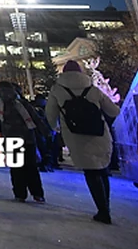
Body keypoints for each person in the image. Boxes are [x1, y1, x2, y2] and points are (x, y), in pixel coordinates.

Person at [46, 60, 120, 224]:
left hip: (76, 136)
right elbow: (114, 111)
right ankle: (105, 208)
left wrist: (56, 129)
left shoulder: (57, 90)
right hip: (99, 133)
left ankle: (102, 210)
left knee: (91, 173)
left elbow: (50, 115)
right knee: (102, 170)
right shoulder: (92, 89)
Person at [0, 81, 46, 203]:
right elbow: (35, 118)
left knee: (18, 168)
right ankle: (36, 193)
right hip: (26, 138)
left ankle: (21, 193)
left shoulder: (1, 105)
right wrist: (43, 130)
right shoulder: (20, 103)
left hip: (14, 139)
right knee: (30, 167)